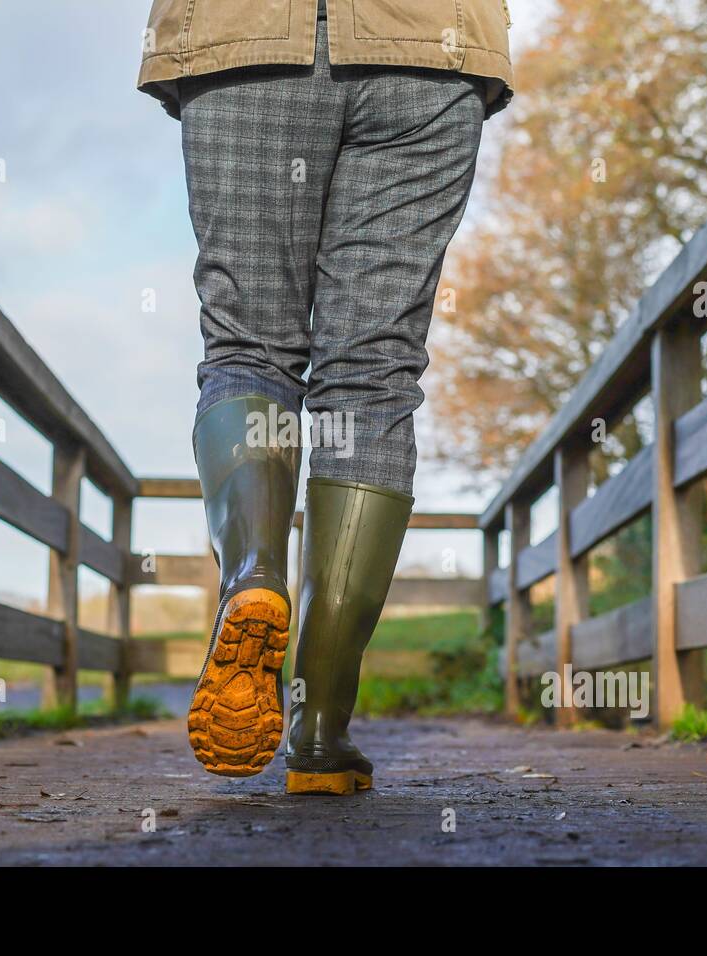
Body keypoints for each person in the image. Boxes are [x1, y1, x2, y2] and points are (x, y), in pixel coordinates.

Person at [137, 0, 514, 795]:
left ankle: (252, 575)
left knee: (250, 348)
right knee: (373, 377)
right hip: (428, 42)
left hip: (245, 36)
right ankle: (317, 730)